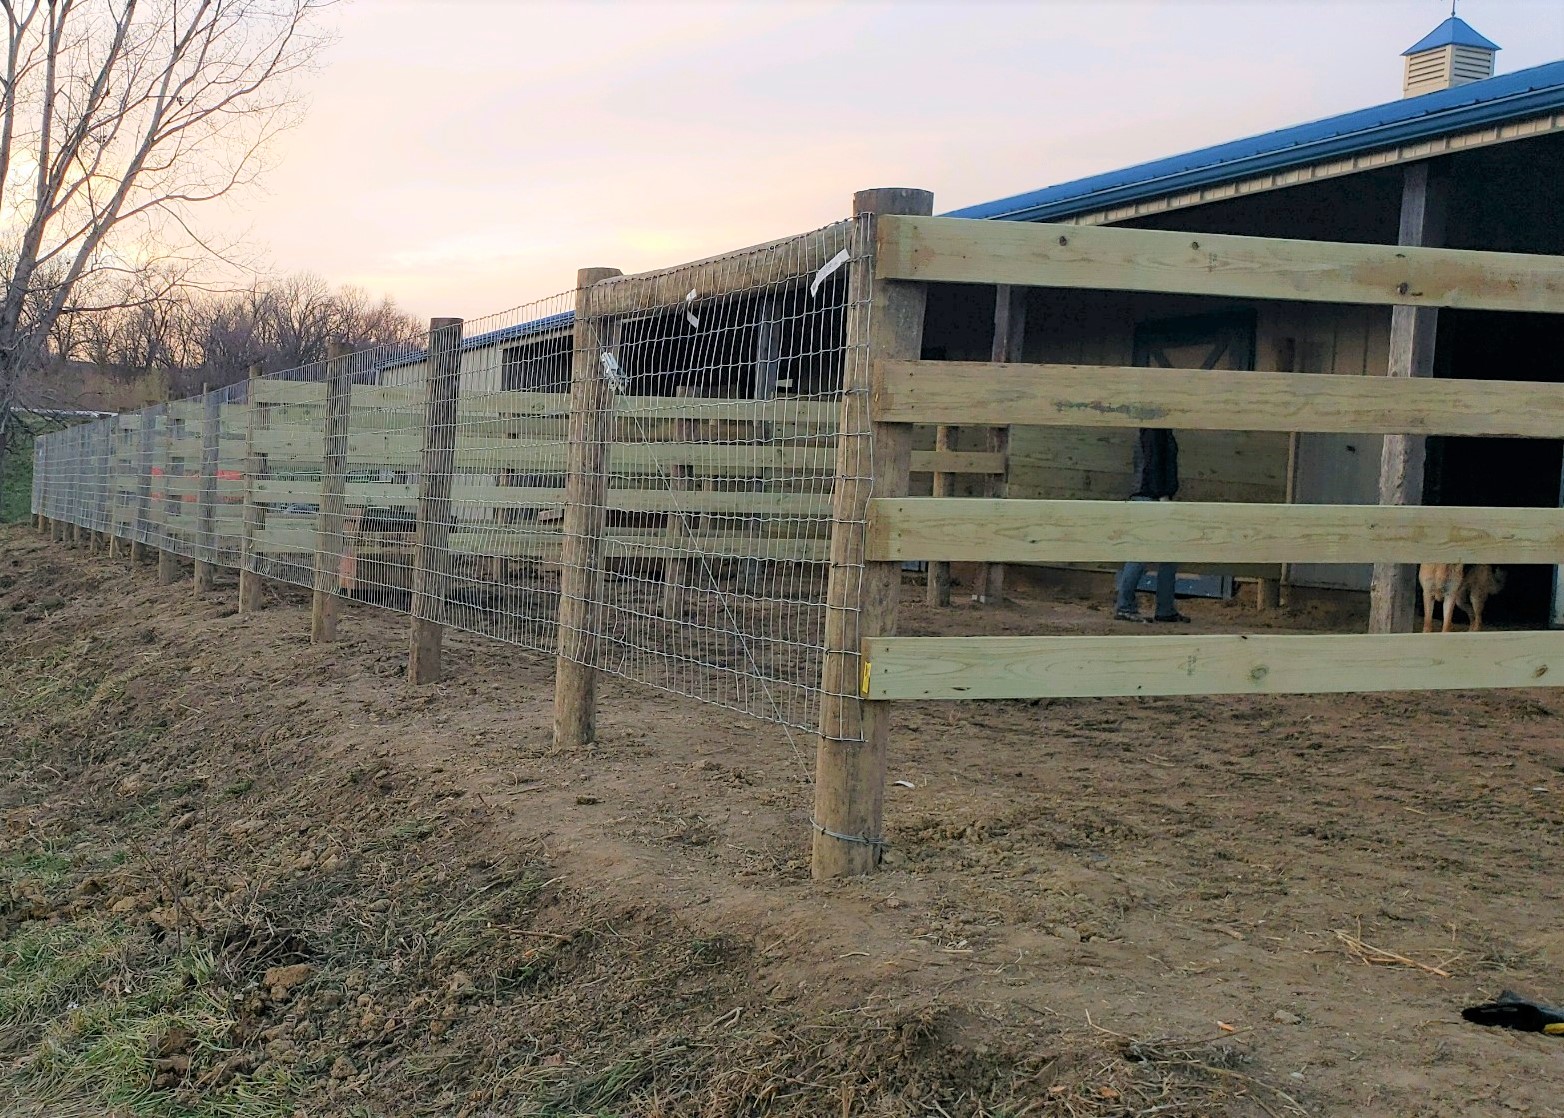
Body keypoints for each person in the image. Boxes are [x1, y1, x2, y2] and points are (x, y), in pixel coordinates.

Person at [1114, 427, 1190, 624]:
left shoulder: (1157, 429)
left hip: (1149, 495)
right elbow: (1153, 462)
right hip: (1151, 497)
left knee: (1165, 555)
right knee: (1142, 554)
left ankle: (1163, 608)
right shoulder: (1155, 429)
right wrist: (1162, 494)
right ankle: (1126, 606)